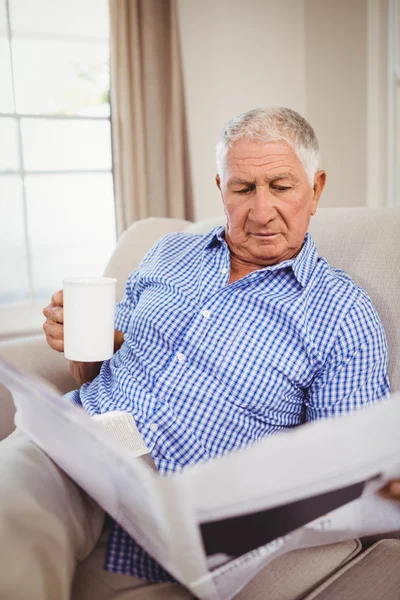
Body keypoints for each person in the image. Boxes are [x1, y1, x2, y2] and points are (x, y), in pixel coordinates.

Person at [1, 107, 399, 600]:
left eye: (281, 186)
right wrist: (90, 342)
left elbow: (350, 472)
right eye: (242, 188)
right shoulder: (170, 253)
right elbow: (92, 372)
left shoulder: (342, 314)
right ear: (220, 187)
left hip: (175, 513)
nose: (260, 209)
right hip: (76, 439)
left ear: (315, 190)